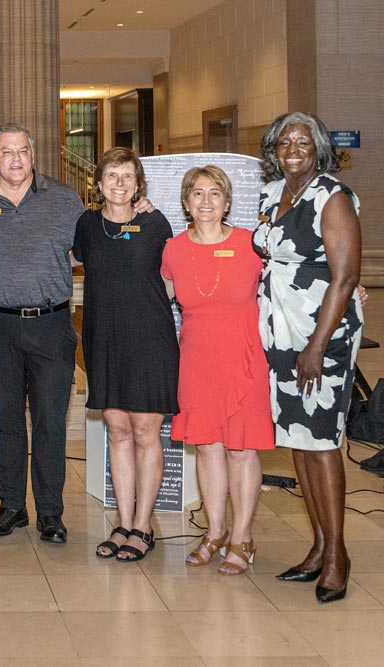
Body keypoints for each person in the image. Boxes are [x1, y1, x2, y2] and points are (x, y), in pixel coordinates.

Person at [0, 123, 152, 543]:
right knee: (7, 422)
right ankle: (12, 507)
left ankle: (50, 513)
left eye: (23, 151)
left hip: (51, 327)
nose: (15, 159)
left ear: (33, 155)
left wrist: (138, 214)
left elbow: (104, 241)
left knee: (50, 422)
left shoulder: (66, 202)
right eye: (6, 152)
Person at [253, 112, 362, 603]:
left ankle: (338, 554)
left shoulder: (331, 197)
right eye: (284, 142)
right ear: (274, 150)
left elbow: (343, 277)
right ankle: (318, 544)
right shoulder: (274, 194)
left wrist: (317, 346)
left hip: (322, 336)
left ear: (319, 148)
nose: (292, 148)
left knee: (321, 441)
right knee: (297, 437)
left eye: (303, 141)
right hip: (280, 332)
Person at [161, 166, 274, 574]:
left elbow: (297, 277)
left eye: (214, 194)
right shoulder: (172, 250)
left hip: (244, 358)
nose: (205, 201)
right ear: (186, 203)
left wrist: (350, 289)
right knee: (207, 447)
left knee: (241, 448)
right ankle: (215, 531)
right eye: (197, 193)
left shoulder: (252, 244)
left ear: (227, 202)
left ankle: (242, 538)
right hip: (196, 360)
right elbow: (153, 298)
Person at [72, 147, 178, 561]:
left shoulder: (155, 224)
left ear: (139, 185)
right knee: (117, 431)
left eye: (128, 176)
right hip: (103, 338)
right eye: (112, 176)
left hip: (150, 338)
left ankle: (143, 525)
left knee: (146, 433)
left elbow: (177, 275)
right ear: (99, 184)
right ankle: (122, 519)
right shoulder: (86, 225)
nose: (119, 183)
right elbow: (69, 259)